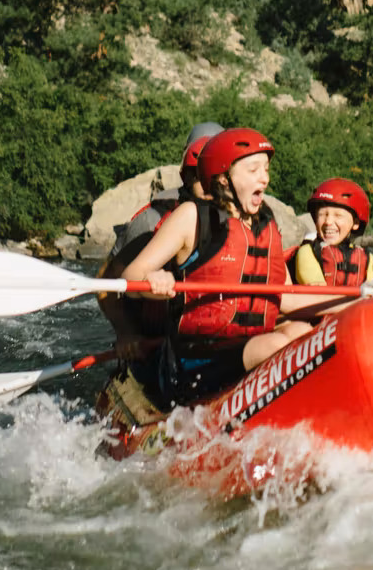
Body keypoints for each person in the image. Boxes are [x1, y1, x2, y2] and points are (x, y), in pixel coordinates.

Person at [110, 128, 355, 415]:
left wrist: (353, 301)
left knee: (303, 331)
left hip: (249, 345)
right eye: (253, 170)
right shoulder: (191, 216)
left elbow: (286, 299)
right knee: (278, 344)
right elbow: (131, 276)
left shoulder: (267, 225)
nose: (265, 178)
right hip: (193, 363)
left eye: (265, 169)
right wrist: (155, 280)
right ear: (224, 179)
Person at [97, 122, 225, 358]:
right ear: (186, 176)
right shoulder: (151, 221)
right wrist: (126, 333)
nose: (208, 183)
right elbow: (106, 282)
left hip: (211, 335)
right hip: (153, 340)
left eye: (215, 174)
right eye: (199, 174)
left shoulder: (242, 220)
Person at [293, 178, 373, 287]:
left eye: (338, 215)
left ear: (356, 223)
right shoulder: (308, 252)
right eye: (322, 214)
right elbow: (317, 293)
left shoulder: (367, 258)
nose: (328, 222)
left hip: (356, 303)